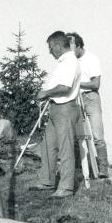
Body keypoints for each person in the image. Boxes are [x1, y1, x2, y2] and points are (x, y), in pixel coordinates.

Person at [29, 31, 81, 198]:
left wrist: (45, 93)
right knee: (48, 146)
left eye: (51, 47)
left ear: (58, 45)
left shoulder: (70, 62)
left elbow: (65, 87)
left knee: (65, 149)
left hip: (65, 108)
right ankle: (47, 181)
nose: (50, 51)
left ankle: (66, 187)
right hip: (55, 107)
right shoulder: (63, 62)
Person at [68, 32, 110, 178]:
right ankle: (79, 168)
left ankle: (103, 169)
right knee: (75, 135)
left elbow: (95, 84)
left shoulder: (92, 59)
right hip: (75, 98)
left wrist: (78, 84)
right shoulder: (71, 61)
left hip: (90, 98)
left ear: (78, 46)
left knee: (97, 135)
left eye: (72, 47)